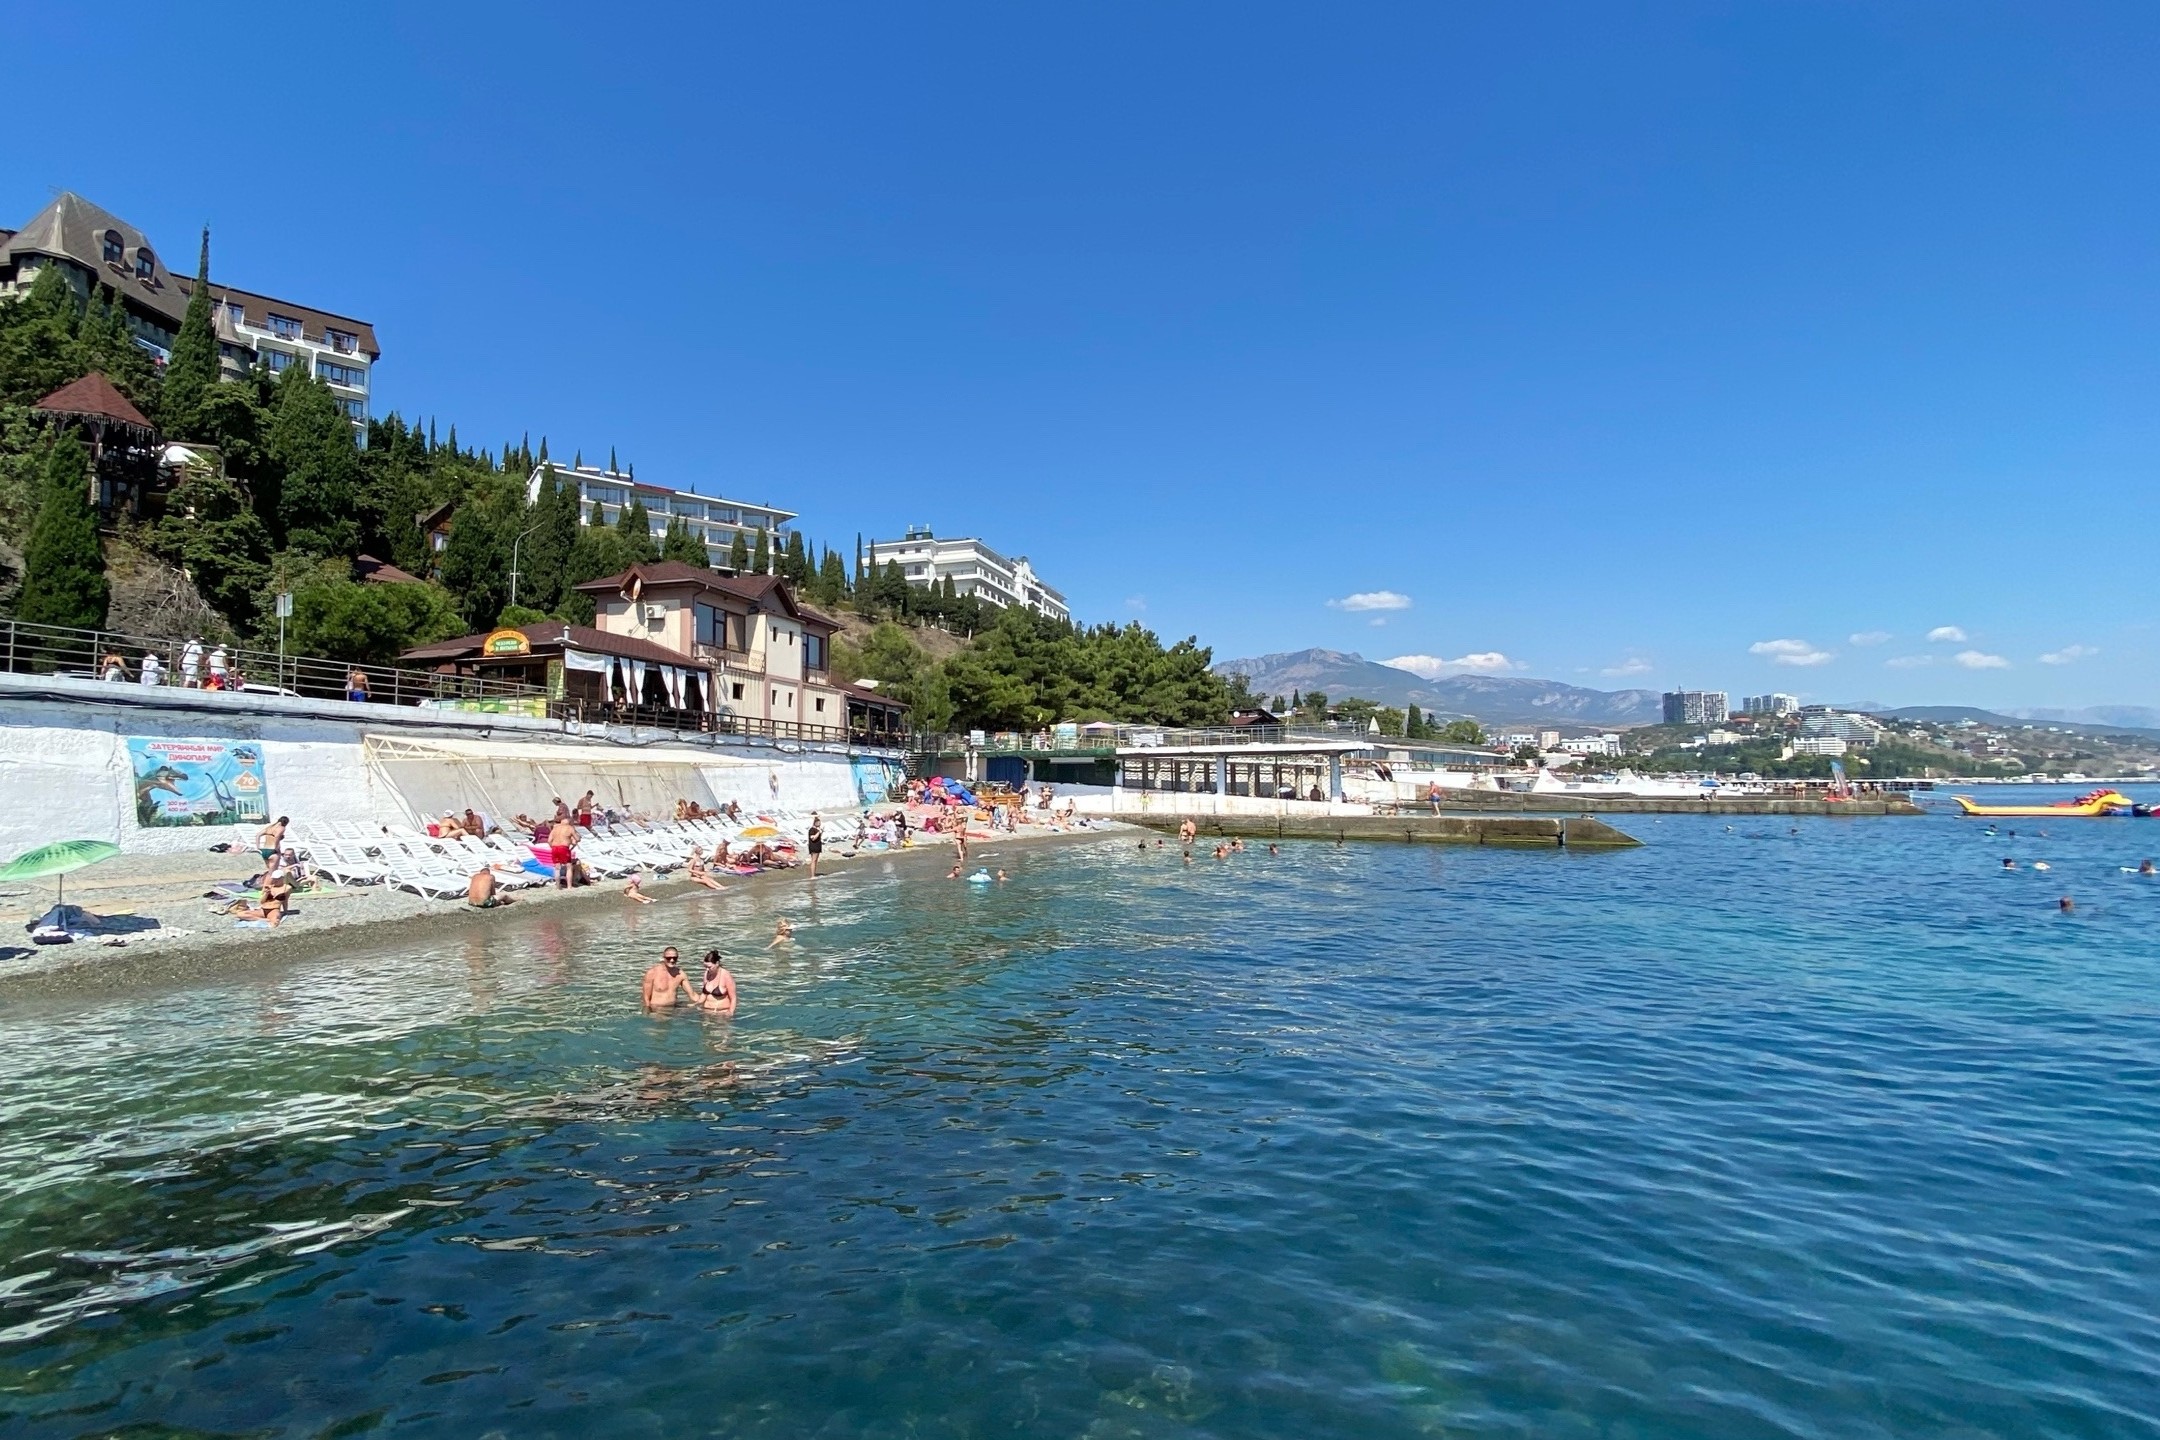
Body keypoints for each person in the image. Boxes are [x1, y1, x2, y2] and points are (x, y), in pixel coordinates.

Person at [696, 950, 738, 1015]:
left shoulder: (726, 975)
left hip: (721, 1013)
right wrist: (696, 1004)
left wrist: (730, 1012)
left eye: (709, 967)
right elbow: (704, 994)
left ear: (717, 963)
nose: (707, 969)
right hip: (706, 1011)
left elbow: (733, 998)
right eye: (705, 967)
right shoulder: (707, 973)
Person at [548, 814, 579, 888]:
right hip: (564, 848)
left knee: (557, 867)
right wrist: (572, 841)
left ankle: (558, 886)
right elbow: (577, 839)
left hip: (554, 848)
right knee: (569, 866)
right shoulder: (569, 828)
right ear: (569, 822)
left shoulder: (555, 828)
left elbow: (549, 841)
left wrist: (552, 846)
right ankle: (569, 886)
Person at [806, 812, 824, 877]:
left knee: (815, 860)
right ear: (815, 823)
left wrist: (820, 832)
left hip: (818, 845)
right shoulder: (812, 830)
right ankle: (812, 875)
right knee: (813, 860)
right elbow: (813, 838)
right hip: (814, 846)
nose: (820, 824)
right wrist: (819, 832)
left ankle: (814, 874)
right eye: (818, 822)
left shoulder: (817, 829)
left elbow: (819, 837)